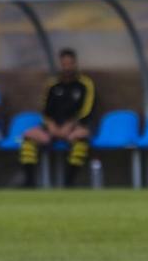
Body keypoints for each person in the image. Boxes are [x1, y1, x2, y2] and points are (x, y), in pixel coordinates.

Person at [20, 48, 97, 188]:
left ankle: (69, 183)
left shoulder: (85, 84)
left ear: (75, 64)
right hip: (53, 126)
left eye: (70, 64)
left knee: (81, 137)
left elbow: (87, 110)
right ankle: (29, 183)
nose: (67, 67)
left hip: (76, 125)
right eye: (64, 64)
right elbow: (45, 110)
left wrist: (71, 124)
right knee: (28, 136)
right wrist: (50, 125)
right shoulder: (53, 84)